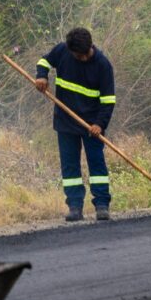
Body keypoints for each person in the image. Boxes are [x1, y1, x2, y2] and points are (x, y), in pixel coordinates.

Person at [34, 27, 116, 222]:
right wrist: (41, 75)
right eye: (79, 56)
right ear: (71, 51)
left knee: (97, 164)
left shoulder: (103, 65)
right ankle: (75, 206)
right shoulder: (62, 51)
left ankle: (102, 204)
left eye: (86, 54)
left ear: (91, 47)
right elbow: (44, 60)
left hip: (91, 126)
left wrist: (99, 124)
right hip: (65, 120)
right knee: (70, 167)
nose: (84, 58)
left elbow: (108, 100)